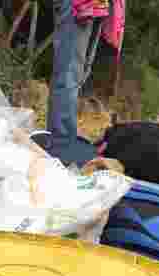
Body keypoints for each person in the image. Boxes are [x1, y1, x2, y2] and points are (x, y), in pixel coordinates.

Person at [42, 0, 107, 166]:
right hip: (77, 5)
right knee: (68, 75)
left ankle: (62, 142)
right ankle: (61, 147)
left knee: (76, 74)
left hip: (93, 5)